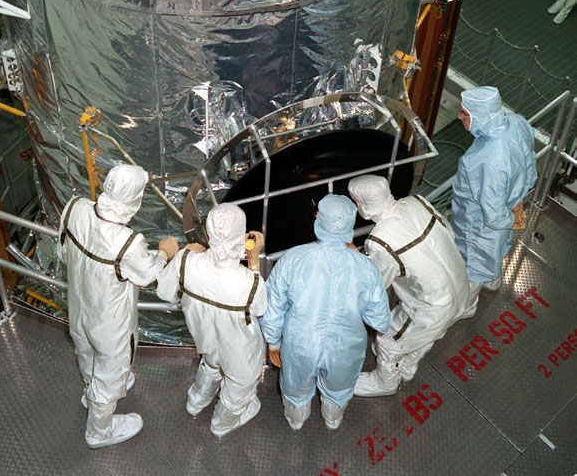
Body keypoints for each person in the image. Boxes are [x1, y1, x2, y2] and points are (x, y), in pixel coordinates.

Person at [58, 163, 179, 448]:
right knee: (111, 371)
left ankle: (92, 394)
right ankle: (100, 429)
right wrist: (165, 252)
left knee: (86, 354)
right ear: (133, 200)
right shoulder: (128, 242)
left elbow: (64, 254)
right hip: (109, 322)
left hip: (79, 309)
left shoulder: (75, 207)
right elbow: (148, 273)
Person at [260, 194, 391, 432]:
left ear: (319, 222)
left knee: (295, 388)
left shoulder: (293, 258)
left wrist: (273, 343)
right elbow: (380, 320)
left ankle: (296, 420)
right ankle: (333, 419)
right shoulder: (366, 267)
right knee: (339, 388)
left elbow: (274, 307)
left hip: (300, 344)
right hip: (346, 347)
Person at [347, 174, 470, 396]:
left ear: (363, 205)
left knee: (388, 341)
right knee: (426, 333)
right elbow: (448, 233)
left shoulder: (381, 240)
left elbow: (375, 285)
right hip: (461, 288)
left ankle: (385, 383)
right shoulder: (417, 202)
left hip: (431, 307)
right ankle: (407, 365)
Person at [157, 204, 267, 437]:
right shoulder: (249, 281)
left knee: (210, 365)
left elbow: (165, 292)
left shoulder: (186, 261)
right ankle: (221, 424)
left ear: (208, 233)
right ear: (242, 236)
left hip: (205, 338)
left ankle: (195, 402)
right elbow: (259, 309)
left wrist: (187, 254)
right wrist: (254, 260)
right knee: (239, 385)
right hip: (239, 350)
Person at [451, 86, 537, 315]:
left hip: (480, 222)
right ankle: (493, 280)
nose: (459, 117)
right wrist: (514, 214)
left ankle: (466, 307)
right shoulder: (517, 122)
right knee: (499, 247)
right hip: (515, 202)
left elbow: (492, 213)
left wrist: (504, 220)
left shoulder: (489, 158)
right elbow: (530, 166)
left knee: (475, 263)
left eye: (464, 113)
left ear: (480, 116)